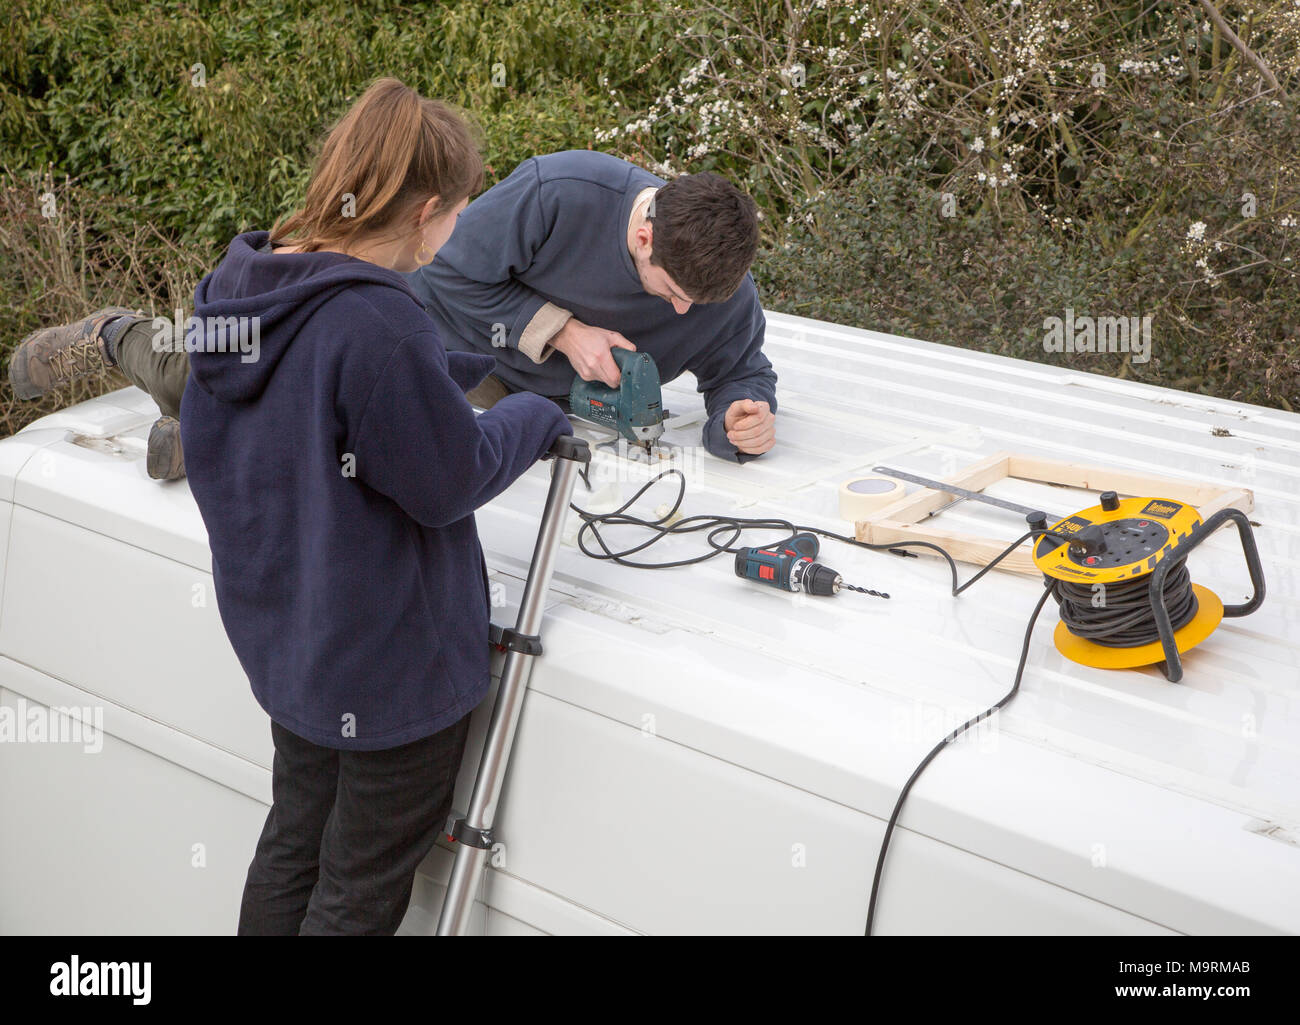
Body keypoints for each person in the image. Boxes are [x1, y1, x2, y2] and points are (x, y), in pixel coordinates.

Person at [158, 78, 570, 934]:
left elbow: (325, 392)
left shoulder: (246, 288)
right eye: (457, 210)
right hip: (389, 679)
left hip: (295, 656)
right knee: (354, 890)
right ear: (425, 211)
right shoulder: (379, 325)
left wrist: (447, 372)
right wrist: (534, 413)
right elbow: (447, 480)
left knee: (291, 848)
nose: (457, 228)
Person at [406, 150, 779, 463]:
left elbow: (743, 374)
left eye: (696, 302)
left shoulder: (726, 292)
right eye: (672, 292)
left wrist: (740, 420)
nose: (683, 312)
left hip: (560, 416)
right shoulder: (558, 190)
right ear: (644, 238)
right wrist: (563, 333)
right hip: (462, 361)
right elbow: (441, 266)